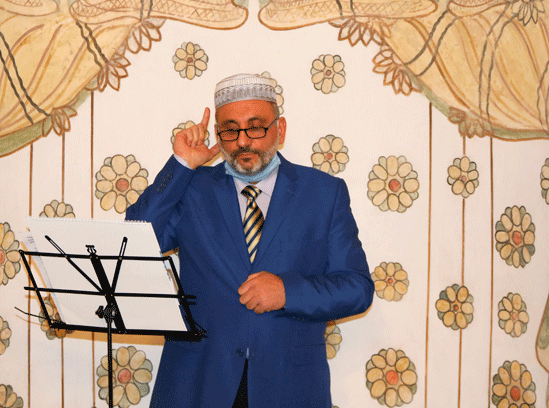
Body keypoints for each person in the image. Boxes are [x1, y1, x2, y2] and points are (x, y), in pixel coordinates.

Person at [126, 73, 373, 408]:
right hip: (197, 384)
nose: (243, 141)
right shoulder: (192, 188)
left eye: (255, 127)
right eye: (230, 130)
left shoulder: (324, 192)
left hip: (288, 387)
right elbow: (135, 238)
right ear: (218, 135)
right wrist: (182, 163)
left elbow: (357, 288)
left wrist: (287, 292)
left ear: (280, 129)